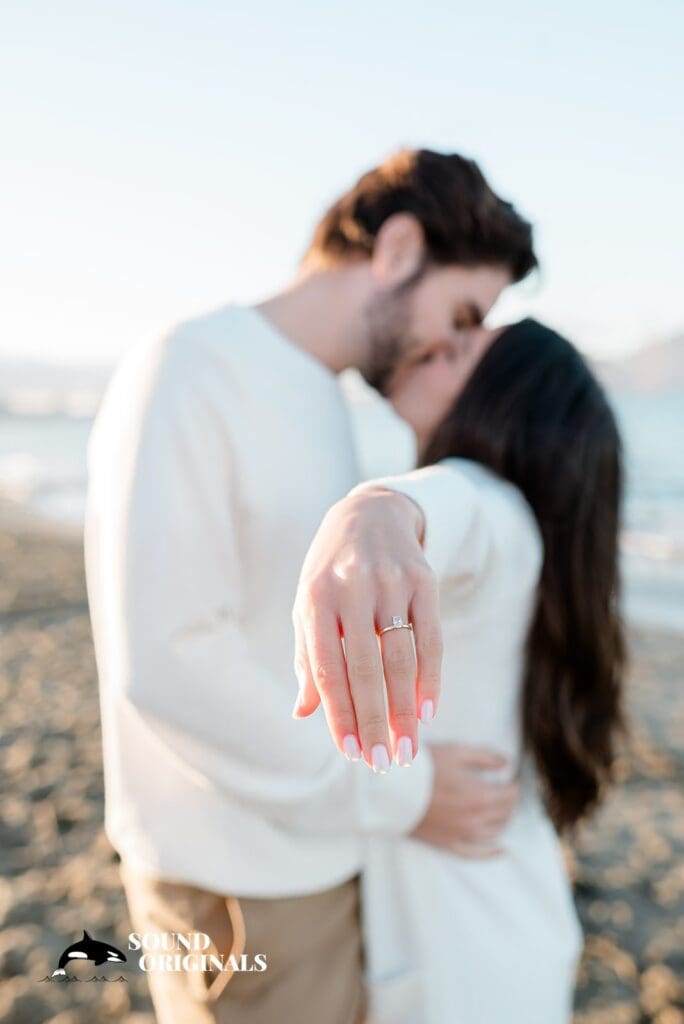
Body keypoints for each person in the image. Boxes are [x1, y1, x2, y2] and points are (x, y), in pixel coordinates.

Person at [84, 149, 537, 1024]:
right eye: (463, 312)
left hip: (315, 859)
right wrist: (405, 792)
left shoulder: (315, 396)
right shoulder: (192, 366)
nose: (456, 348)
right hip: (240, 883)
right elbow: (169, 663)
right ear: (399, 249)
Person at [293, 319, 626, 1023]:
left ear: (506, 398)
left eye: (467, 348)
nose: (437, 345)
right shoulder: (537, 541)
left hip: (466, 966)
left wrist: (377, 508)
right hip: (510, 931)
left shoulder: (494, 510)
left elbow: (461, 507)